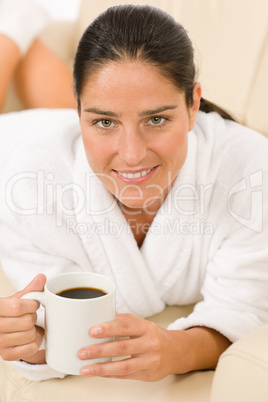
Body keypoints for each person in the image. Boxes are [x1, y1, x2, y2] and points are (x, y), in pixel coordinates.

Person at [0, 2, 268, 383]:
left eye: (156, 119)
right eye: (103, 121)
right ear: (78, 114)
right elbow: (48, 329)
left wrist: (178, 350)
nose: (132, 154)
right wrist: (30, 340)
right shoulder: (28, 184)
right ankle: (13, 32)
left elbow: (245, 309)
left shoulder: (249, 173)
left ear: (193, 105)